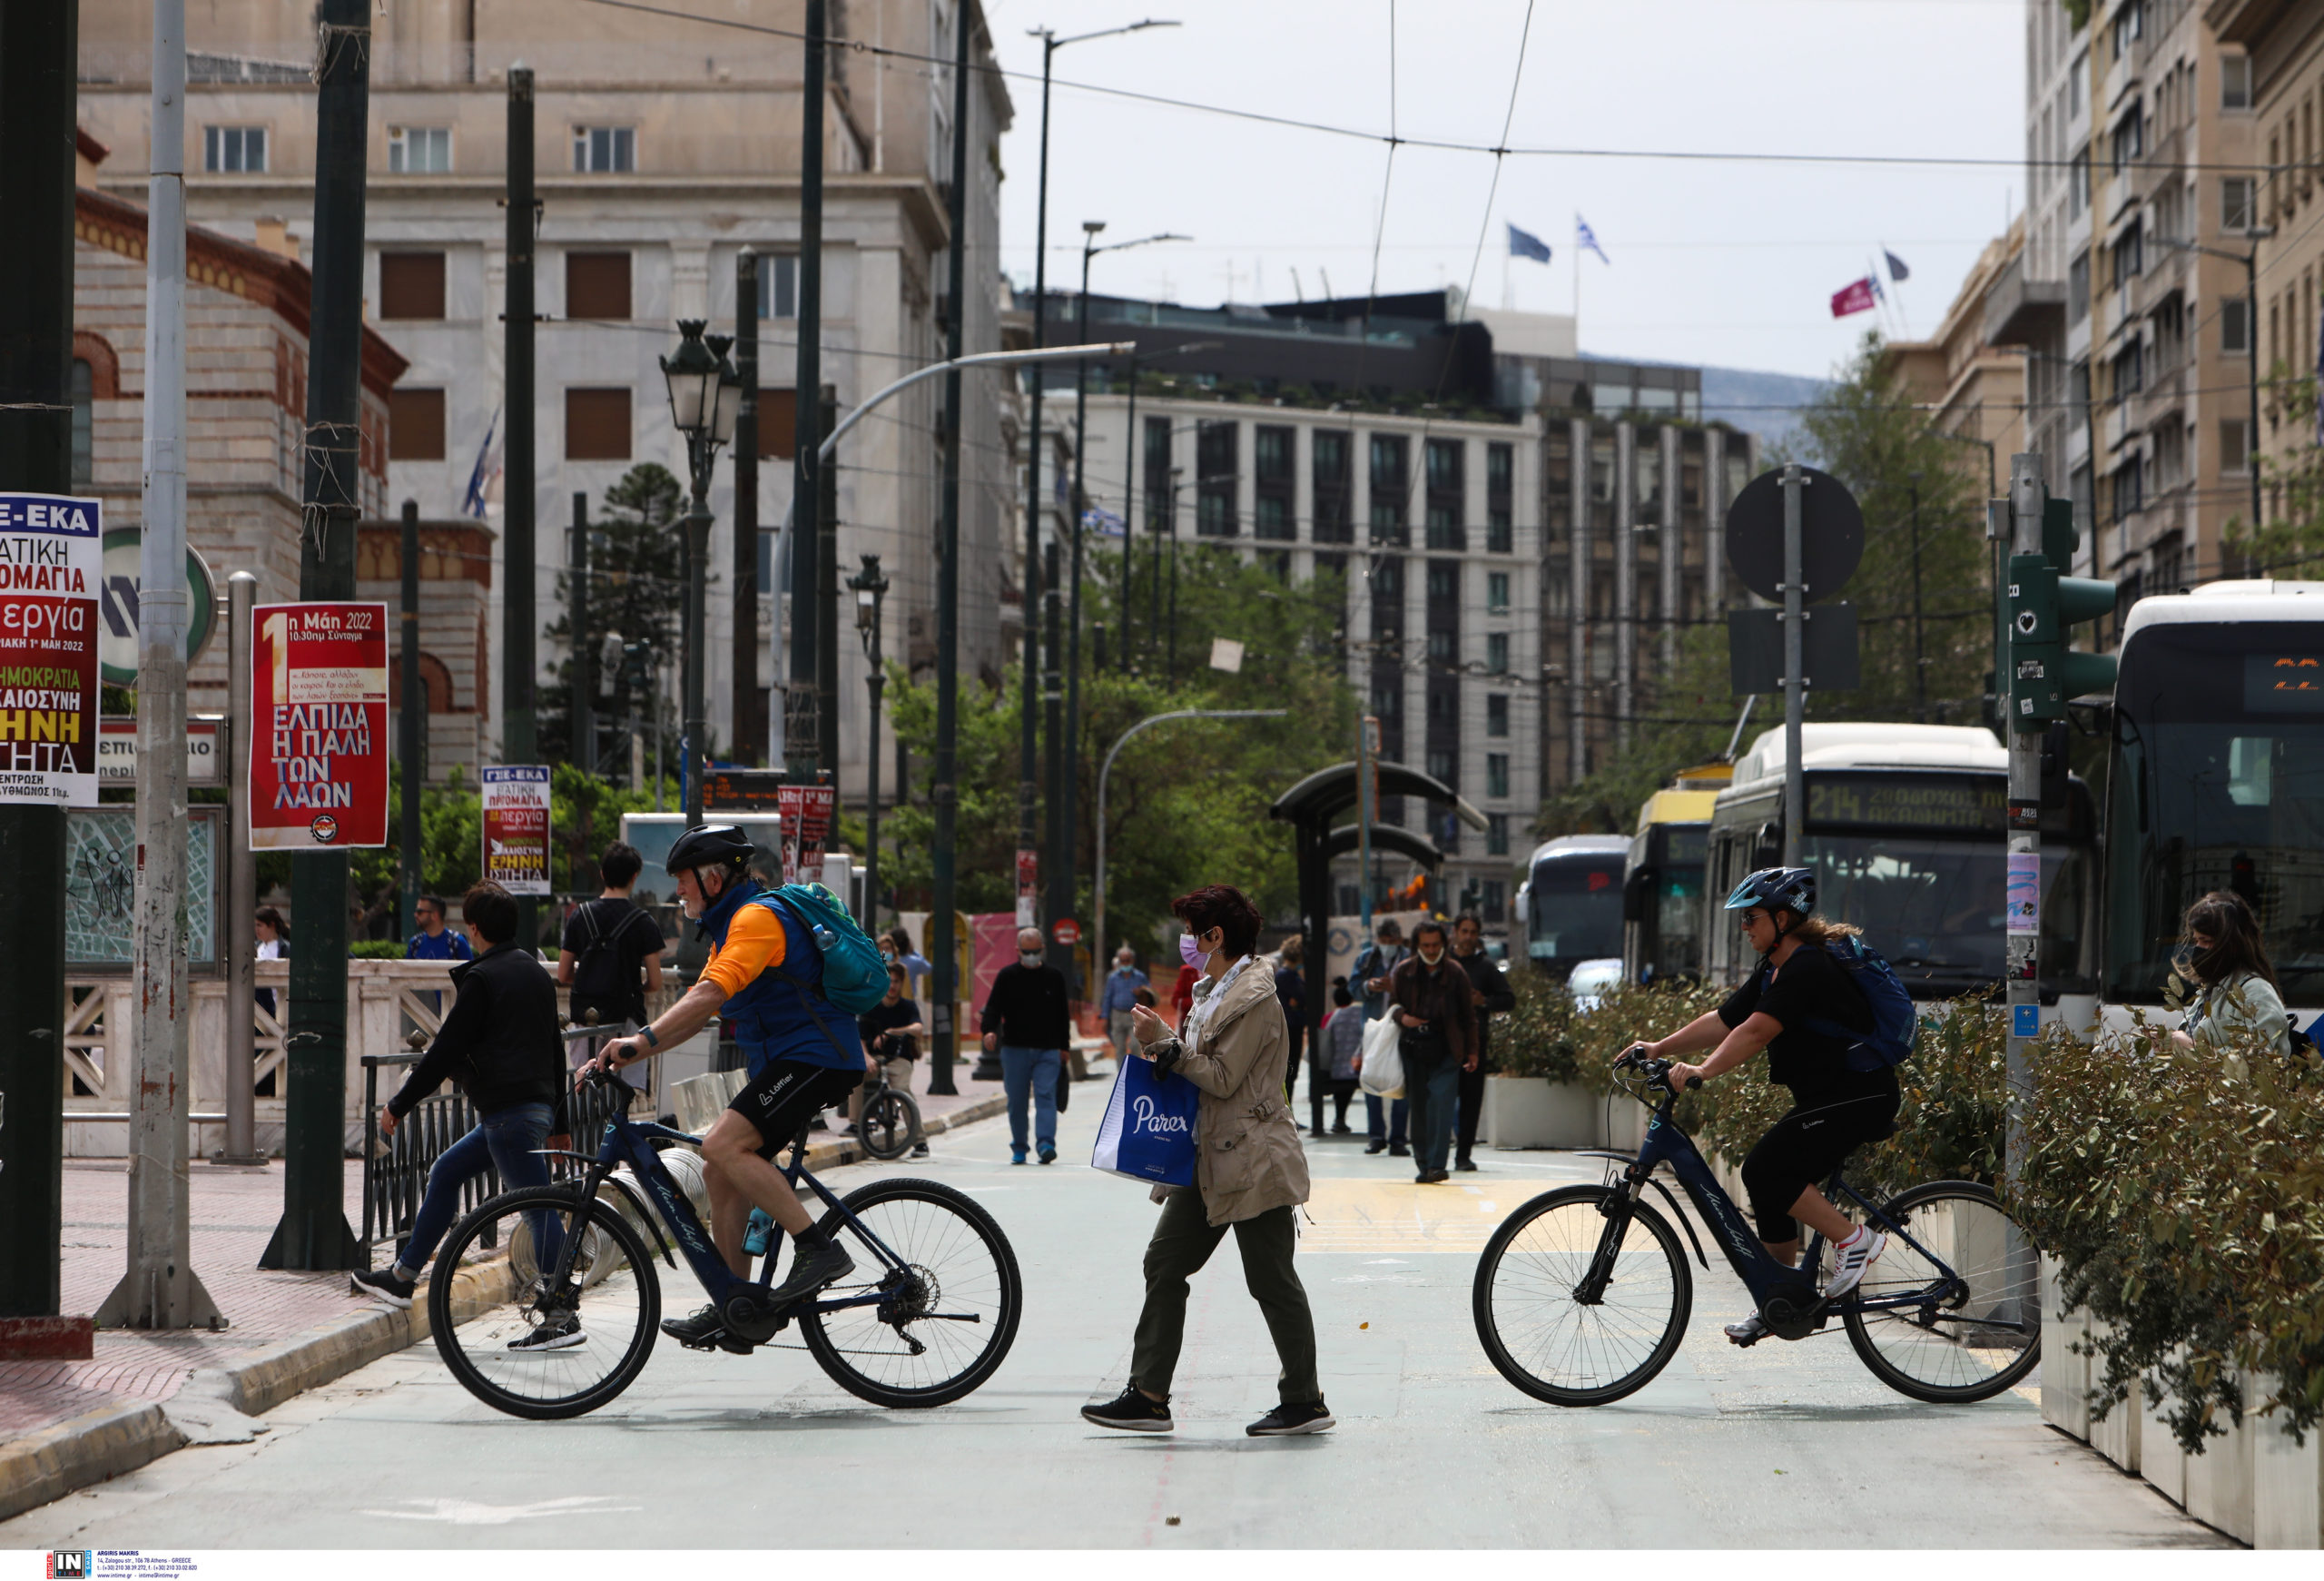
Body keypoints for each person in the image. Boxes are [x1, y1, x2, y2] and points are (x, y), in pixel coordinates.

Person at [586, 825, 870, 1351]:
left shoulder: (756, 920)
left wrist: (638, 1042)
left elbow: (710, 994)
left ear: (713, 879)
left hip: (817, 1057)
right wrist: (629, 1050)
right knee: (719, 1168)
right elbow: (698, 1009)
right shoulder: (727, 931)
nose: (678, 891)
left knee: (721, 1145)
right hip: (789, 1062)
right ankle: (738, 1305)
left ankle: (818, 1248)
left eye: (683, 880)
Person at [1081, 884, 1333, 1438]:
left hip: (1254, 1159)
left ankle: (1304, 1401)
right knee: (1164, 1262)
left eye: (1193, 933)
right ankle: (1148, 1396)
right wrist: (1163, 1046)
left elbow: (1221, 1077)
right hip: (1207, 1156)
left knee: (1271, 1279)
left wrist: (1167, 1044)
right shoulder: (1214, 990)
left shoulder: (1254, 998)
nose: (1187, 942)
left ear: (1216, 937)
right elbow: (1196, 1065)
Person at [1623, 867, 1896, 1346]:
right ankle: (1778, 1295)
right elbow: (1726, 1019)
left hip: (1859, 1095)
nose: (1744, 926)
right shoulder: (1775, 968)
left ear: (1782, 919)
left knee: (1767, 1169)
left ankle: (1856, 1241)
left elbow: (1756, 1032)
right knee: (1765, 1181)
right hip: (1832, 1097)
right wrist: (1659, 1047)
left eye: (1751, 917)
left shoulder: (1807, 968)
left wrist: (1703, 1070)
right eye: (1743, 918)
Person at [351, 882, 572, 1341]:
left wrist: (399, 1103)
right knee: (447, 1171)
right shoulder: (535, 972)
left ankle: (561, 1314)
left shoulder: (483, 978)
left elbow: (445, 1050)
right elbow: (556, 1050)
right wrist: (561, 1124)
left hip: (509, 1116)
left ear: (473, 928)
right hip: (529, 1112)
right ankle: (402, 1277)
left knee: (537, 1210)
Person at [556, 842, 667, 1092]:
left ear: (603, 874)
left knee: (585, 1089)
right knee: (622, 1093)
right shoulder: (643, 922)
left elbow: (563, 974)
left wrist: (592, 979)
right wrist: (629, 985)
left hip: (586, 1017)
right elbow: (656, 981)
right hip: (626, 1016)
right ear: (634, 876)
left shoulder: (580, 915)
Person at [1385, 920, 1476, 1184]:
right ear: (1417, 946)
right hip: (1413, 1048)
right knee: (1419, 1108)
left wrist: (1472, 1052)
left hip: (1447, 1049)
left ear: (1444, 944)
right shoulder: (1404, 971)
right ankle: (1424, 1165)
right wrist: (1404, 1017)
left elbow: (1469, 1016)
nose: (1431, 950)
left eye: (1436, 945)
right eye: (1426, 945)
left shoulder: (1456, 972)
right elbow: (1393, 1005)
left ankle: (1436, 1165)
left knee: (1441, 1104)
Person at [2166, 890, 2292, 1062]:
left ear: (2232, 944)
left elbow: (2251, 1064)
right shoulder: (2213, 989)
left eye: (2206, 941)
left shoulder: (2257, 993)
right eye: (2196, 941)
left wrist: (2189, 1047)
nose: (2198, 948)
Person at [981, 925, 1070, 1165]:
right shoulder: (1007, 976)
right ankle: (1019, 1147)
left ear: (1042, 949)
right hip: (1014, 1050)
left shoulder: (1054, 977)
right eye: (1026, 951)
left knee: (1046, 1096)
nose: (1031, 955)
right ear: (1018, 950)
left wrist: (1064, 1047)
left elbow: (1063, 1014)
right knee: (1017, 1100)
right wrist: (988, 1031)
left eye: (1035, 951)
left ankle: (1046, 1144)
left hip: (1048, 1050)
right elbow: (993, 1007)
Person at [1450, 913, 1515, 1171]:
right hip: (1442, 1043)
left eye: (1472, 932)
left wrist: (1483, 1001)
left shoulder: (1485, 967)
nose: (1468, 937)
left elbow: (1508, 999)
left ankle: (1463, 1155)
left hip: (1474, 1044)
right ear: (1455, 932)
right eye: (1464, 931)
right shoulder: (1443, 963)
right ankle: (1433, 1157)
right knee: (1440, 1100)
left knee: (1470, 1102)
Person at [852, 962, 930, 1158]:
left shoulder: (908, 1007)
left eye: (896, 982)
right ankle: (854, 1124)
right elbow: (860, 1038)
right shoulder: (871, 1006)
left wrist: (892, 1032)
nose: (893, 986)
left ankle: (920, 1141)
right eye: (890, 981)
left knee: (902, 1090)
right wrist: (866, 1058)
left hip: (899, 1058)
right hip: (875, 1058)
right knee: (854, 1078)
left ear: (901, 983)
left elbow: (918, 1029)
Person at [1354, 918, 1409, 1157]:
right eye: (1383, 940)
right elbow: (1353, 988)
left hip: (1401, 1027)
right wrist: (1369, 986)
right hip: (1374, 1029)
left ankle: (1398, 1139)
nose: (1387, 945)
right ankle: (1376, 1136)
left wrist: (1394, 988)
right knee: (1371, 1079)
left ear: (1399, 940)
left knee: (1402, 1081)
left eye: (1391, 940)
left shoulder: (1408, 959)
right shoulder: (1367, 959)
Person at [1320, 980, 1364, 1134]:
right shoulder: (1361, 1014)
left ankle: (1339, 1119)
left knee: (1342, 1088)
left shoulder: (1331, 1016)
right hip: (1359, 1069)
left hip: (1335, 1070)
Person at [1098, 945, 1145, 1071]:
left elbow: (1150, 994)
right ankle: (1121, 1074)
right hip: (1117, 1015)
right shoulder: (1113, 978)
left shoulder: (1140, 977)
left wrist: (1142, 991)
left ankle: (1135, 1071)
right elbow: (1107, 997)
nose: (1125, 963)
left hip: (1134, 1015)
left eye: (1127, 960)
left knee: (1135, 1044)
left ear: (1132, 960)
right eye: (1122, 961)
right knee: (1119, 1047)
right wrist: (1105, 1017)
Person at [1274, 935, 1305, 1105]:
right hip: (1290, 1027)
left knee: (1290, 1072)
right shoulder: (1287, 976)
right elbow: (1304, 996)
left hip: (1291, 1025)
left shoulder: (1287, 975)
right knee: (1290, 1072)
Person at [405, 893, 473, 964]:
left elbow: (469, 968)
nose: (415, 915)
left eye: (420, 912)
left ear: (435, 915)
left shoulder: (457, 942)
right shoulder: (415, 943)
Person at [253, 906, 289, 1022]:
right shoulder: (257, 947)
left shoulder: (284, 948)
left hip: (279, 1005)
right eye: (255, 925)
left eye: (259, 925)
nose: (256, 929)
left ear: (271, 925)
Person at [887, 925, 934, 1002]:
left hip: (888, 1001)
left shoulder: (887, 960)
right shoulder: (915, 961)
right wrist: (913, 951)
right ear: (907, 943)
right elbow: (928, 969)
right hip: (908, 1001)